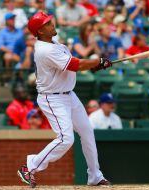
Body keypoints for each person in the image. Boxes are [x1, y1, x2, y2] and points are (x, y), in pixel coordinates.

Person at [17, 12, 112, 187]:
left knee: (87, 132)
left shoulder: (53, 43)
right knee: (66, 139)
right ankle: (30, 166)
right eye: (47, 24)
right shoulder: (45, 49)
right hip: (53, 98)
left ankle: (95, 176)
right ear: (40, 31)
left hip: (69, 94)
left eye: (50, 21)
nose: (52, 24)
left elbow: (72, 65)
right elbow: (75, 65)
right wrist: (96, 61)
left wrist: (94, 65)